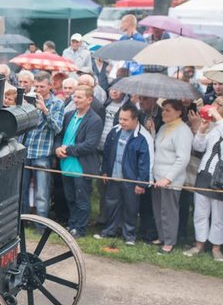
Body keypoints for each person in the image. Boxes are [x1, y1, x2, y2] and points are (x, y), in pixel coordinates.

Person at [95, 103, 153, 244]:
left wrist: (141, 183)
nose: (121, 122)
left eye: (125, 119)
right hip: (114, 176)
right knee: (111, 204)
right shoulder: (114, 131)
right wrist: (105, 171)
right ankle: (109, 230)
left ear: (135, 119)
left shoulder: (144, 137)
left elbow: (146, 162)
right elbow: (107, 152)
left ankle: (129, 235)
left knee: (130, 208)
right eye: (120, 118)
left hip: (131, 180)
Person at [55, 86, 102, 237]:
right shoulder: (68, 115)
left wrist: (67, 150)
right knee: (70, 198)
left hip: (82, 168)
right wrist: (57, 148)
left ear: (89, 99)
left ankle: (80, 229)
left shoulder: (95, 120)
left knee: (82, 200)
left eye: (79, 97)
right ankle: (72, 224)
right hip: (66, 165)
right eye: (74, 97)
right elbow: (59, 136)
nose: (75, 100)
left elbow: (90, 145)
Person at [20, 72, 65, 223]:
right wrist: (23, 108)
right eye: (36, 86)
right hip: (25, 150)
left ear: (50, 86)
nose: (38, 89)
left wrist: (45, 110)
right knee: (21, 190)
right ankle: (22, 223)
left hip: (42, 153)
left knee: (42, 193)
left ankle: (41, 226)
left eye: (42, 86)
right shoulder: (29, 100)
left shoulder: (57, 103)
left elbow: (57, 128)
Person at [151, 99, 193, 254]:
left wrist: (168, 178)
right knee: (158, 209)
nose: (163, 113)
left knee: (169, 211)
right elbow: (158, 148)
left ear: (178, 112)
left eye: (168, 110)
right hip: (157, 176)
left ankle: (169, 241)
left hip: (171, 179)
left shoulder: (183, 131)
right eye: (163, 110)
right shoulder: (163, 127)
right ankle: (162, 236)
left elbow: (183, 159)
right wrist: (152, 131)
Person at [187, 97, 223, 261]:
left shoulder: (220, 125)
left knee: (218, 215)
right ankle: (199, 244)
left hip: (220, 177)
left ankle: (216, 248)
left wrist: (217, 116)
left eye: (219, 105)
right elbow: (198, 147)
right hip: (204, 174)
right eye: (214, 103)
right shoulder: (214, 128)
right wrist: (201, 130)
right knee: (200, 212)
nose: (214, 107)